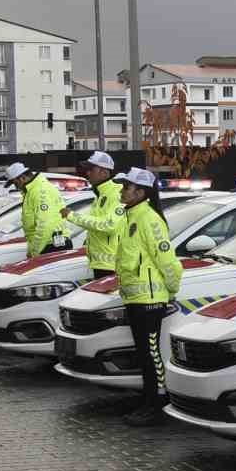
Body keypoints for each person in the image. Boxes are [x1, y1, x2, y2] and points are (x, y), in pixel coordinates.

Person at [114, 167, 183, 426]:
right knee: (144, 353)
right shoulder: (131, 217)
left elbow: (168, 261)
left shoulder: (149, 219)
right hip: (135, 298)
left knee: (151, 353)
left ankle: (157, 404)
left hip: (150, 300)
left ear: (140, 192)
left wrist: (170, 291)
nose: (122, 191)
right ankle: (149, 399)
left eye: (126, 187)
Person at [63, 151, 124, 280]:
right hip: (102, 264)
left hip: (113, 266)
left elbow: (108, 225)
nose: (87, 173)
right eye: (87, 169)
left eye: (91, 169)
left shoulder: (116, 194)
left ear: (105, 172)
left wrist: (72, 215)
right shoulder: (101, 194)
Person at [4, 161, 70, 258]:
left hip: (51, 245)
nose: (16, 187)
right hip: (49, 244)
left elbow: (45, 225)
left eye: (16, 184)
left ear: (22, 178)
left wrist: (34, 251)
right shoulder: (33, 191)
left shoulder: (39, 191)